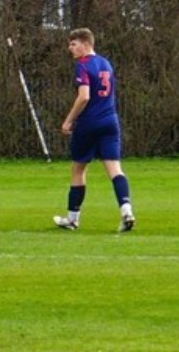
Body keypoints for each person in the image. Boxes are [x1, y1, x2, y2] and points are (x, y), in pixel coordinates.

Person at [53, 27, 135, 232]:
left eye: (73, 44)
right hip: (110, 122)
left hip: (89, 123)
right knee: (115, 169)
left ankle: (72, 219)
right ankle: (126, 211)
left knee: (78, 170)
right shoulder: (106, 63)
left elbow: (84, 96)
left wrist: (68, 120)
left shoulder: (82, 65)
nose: (70, 48)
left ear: (86, 44)